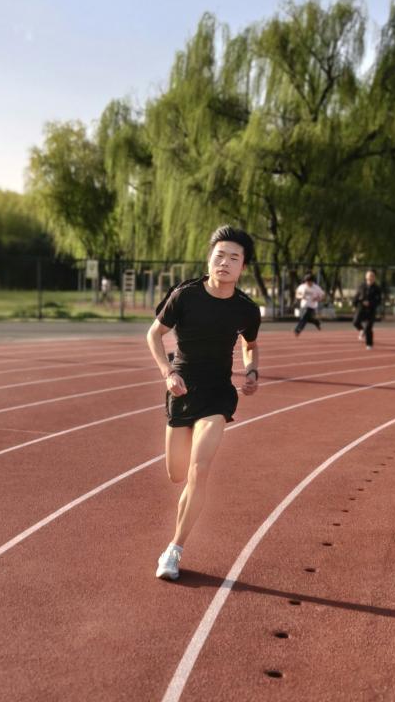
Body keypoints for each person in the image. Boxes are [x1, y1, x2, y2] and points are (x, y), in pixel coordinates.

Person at [146, 225, 261, 581]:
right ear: (209, 259)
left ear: (243, 267)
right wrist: (167, 373)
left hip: (217, 393)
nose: (224, 263)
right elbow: (154, 334)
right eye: (219, 255)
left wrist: (252, 370)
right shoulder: (185, 296)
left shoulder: (246, 309)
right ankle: (181, 524)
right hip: (182, 389)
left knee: (200, 468)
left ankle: (174, 549)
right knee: (177, 473)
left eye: (233, 258)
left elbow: (250, 345)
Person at [352, 270, 382, 350]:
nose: (370, 278)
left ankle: (369, 344)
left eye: (372, 276)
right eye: (369, 276)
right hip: (361, 308)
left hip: (371, 310)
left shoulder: (377, 288)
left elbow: (379, 300)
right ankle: (362, 330)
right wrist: (354, 304)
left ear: (374, 278)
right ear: (366, 277)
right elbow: (356, 296)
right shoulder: (361, 286)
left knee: (368, 327)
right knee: (355, 322)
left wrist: (370, 303)